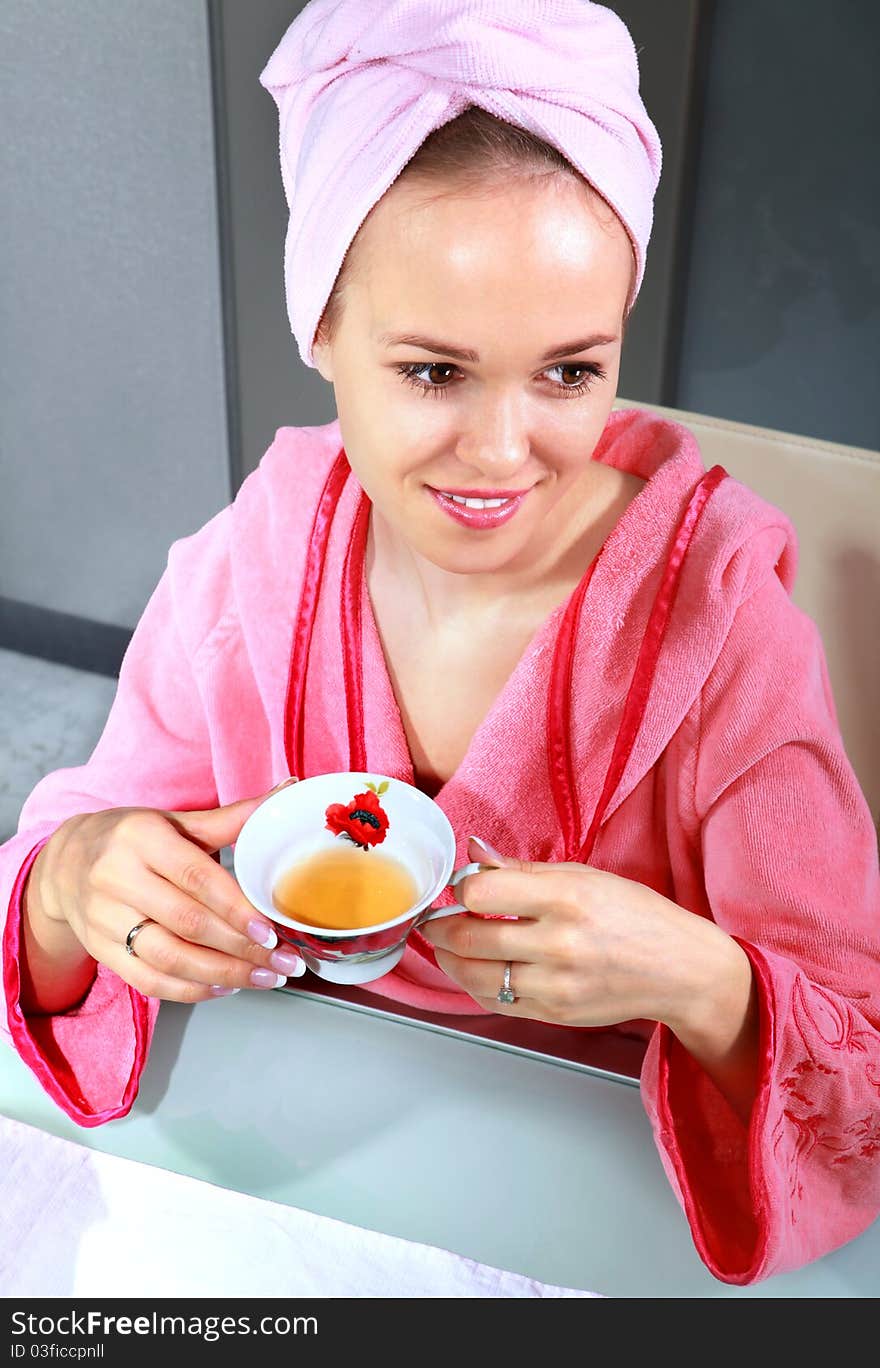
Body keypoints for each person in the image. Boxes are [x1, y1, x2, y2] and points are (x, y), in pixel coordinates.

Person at [1, 0, 878, 1287]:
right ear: (324, 335)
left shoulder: (723, 632)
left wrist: (704, 982)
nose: (504, 452)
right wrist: (78, 880)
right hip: (280, 1141)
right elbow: (65, 867)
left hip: (598, 1193)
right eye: (432, 373)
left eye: (570, 372)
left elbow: (854, 1055)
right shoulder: (257, 561)